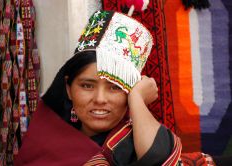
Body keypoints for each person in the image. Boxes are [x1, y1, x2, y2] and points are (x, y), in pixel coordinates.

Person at [14, 10, 217, 166]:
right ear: (68, 88)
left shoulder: (131, 142)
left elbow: (159, 159)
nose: (100, 99)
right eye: (87, 85)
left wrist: (137, 97)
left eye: (115, 88)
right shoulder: (44, 139)